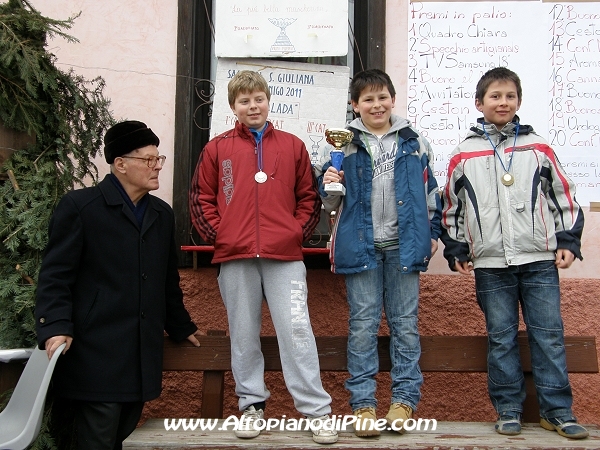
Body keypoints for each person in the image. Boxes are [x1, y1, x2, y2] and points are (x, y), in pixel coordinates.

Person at [189, 70, 338, 445]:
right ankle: (252, 406)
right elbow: (201, 199)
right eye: (244, 101)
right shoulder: (217, 148)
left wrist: (294, 233)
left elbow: (308, 198)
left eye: (258, 99)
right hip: (235, 255)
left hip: (283, 256)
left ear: (269, 101)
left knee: (297, 330)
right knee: (242, 334)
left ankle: (316, 412)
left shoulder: (291, 145)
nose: (252, 106)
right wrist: (221, 236)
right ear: (233, 107)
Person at [440, 67, 588, 439]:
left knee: (548, 335)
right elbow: (451, 208)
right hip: (490, 264)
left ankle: (557, 411)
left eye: (509, 96)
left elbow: (563, 197)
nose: (502, 102)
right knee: (501, 337)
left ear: (518, 102)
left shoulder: (538, 147)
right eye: (494, 96)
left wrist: (568, 240)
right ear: (479, 103)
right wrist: (457, 247)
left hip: (539, 259)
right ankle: (508, 408)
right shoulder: (463, 154)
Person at [35, 120, 200, 450]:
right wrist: (54, 325)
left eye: (159, 159)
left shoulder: (161, 214)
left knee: (121, 437)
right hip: (94, 357)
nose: (157, 167)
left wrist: (181, 326)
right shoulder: (80, 207)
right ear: (120, 164)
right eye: (148, 160)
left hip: (139, 359)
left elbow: (167, 280)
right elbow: (55, 276)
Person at [315, 69, 442, 437]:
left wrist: (431, 233)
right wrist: (329, 185)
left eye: (382, 97)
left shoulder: (415, 141)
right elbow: (328, 203)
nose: (376, 104)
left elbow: (431, 193)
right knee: (362, 327)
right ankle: (364, 406)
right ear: (355, 105)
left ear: (393, 99)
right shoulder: (339, 145)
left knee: (405, 325)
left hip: (403, 245)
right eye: (367, 99)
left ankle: (403, 402)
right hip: (361, 245)